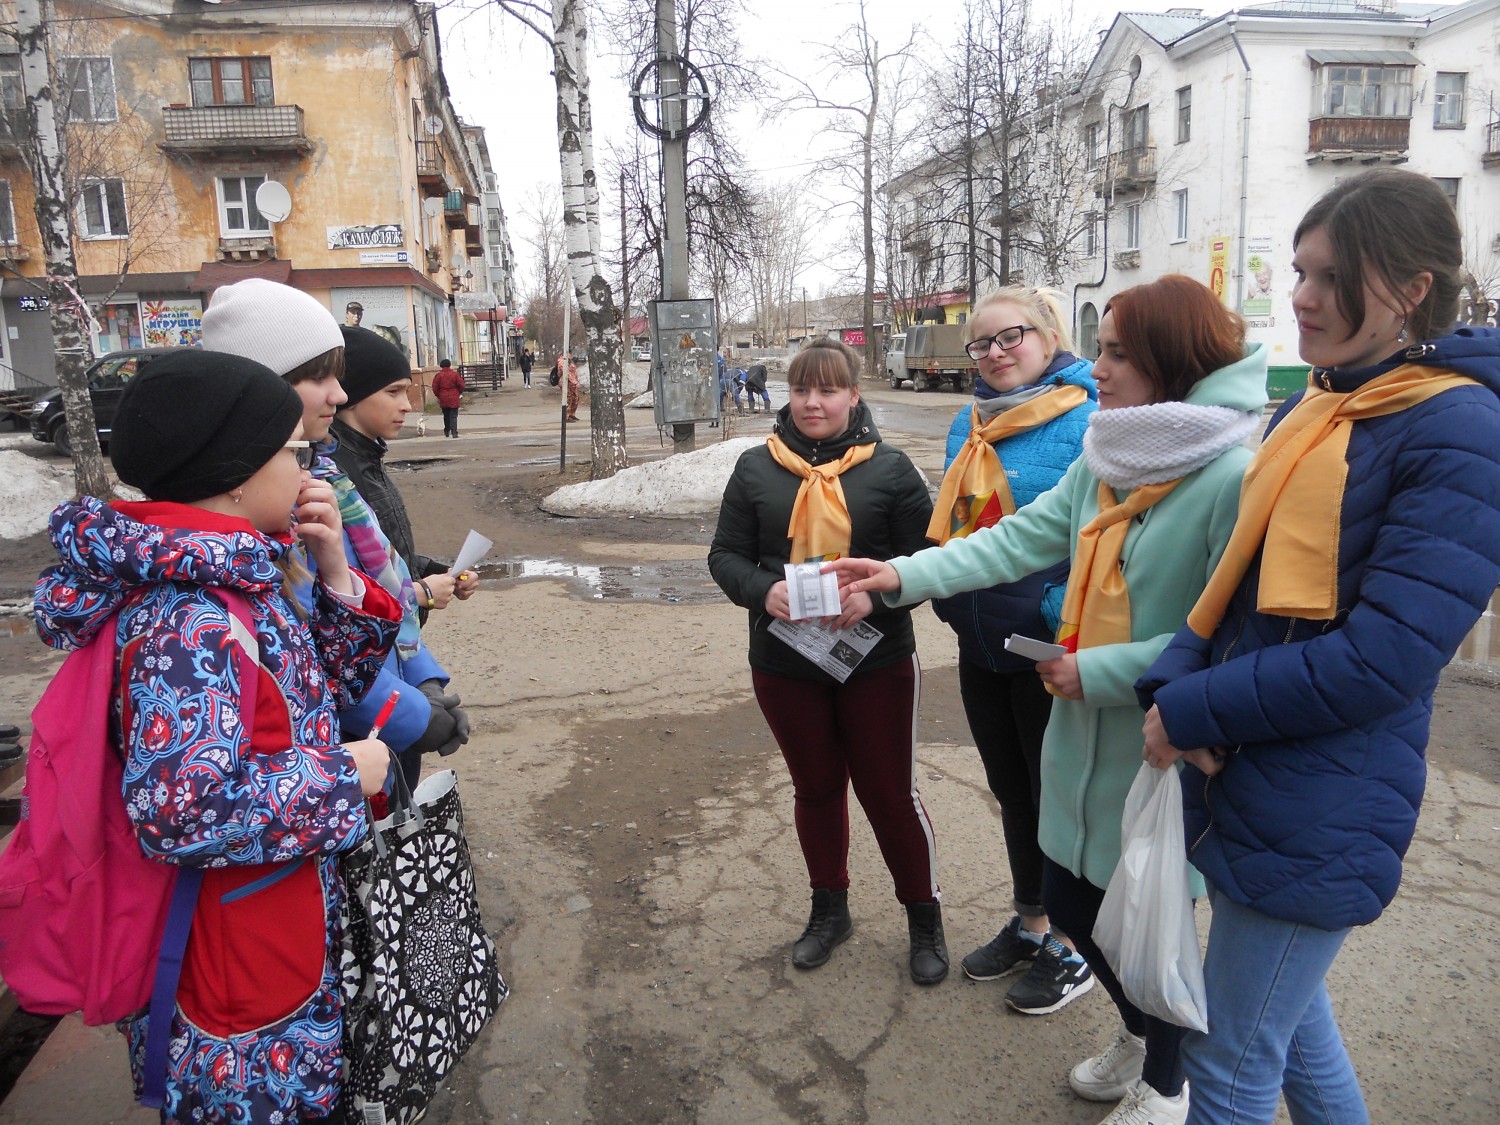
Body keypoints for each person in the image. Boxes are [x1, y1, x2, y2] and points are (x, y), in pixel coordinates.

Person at [828, 275, 1269, 1125]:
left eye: (1113, 353)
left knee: (1147, 928)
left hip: (1155, 742)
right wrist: (899, 575)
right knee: (1072, 904)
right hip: (1080, 736)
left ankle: (1169, 1085)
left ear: (1167, 362)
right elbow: (1017, 537)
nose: (1095, 366)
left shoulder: (1230, 476)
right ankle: (1142, 1041)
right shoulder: (1112, 454)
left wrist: (1098, 669)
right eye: (1099, 349)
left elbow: (1226, 635)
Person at [1136, 169, 1500, 1124]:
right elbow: (1237, 578)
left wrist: (1195, 708)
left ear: (1411, 286)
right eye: (1298, 270)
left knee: (1228, 1067)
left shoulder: (1458, 425)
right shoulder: (1325, 401)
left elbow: (1385, 656)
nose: (1297, 295)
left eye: (1327, 275)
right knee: (1290, 1035)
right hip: (1260, 776)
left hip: (1323, 795)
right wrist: (1170, 678)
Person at [33, 350, 402, 1122]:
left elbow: (303, 696)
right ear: (236, 474)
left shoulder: (235, 576)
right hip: (236, 984)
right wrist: (346, 772)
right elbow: (182, 810)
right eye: (290, 454)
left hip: (271, 932)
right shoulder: (188, 617)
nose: (308, 473)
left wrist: (335, 573)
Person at [706, 337, 946, 985]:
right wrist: (765, 591)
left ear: (854, 395)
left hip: (877, 660)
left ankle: (924, 917)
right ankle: (829, 909)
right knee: (815, 790)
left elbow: (927, 566)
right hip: (786, 663)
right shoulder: (756, 468)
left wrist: (881, 599)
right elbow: (724, 557)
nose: (813, 402)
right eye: (802, 389)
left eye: (828, 389)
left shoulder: (892, 470)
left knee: (890, 795)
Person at [201, 279, 469, 790]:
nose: (338, 394)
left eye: (339, 376)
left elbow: (375, 585)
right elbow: (314, 650)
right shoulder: (268, 506)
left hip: (368, 733)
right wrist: (414, 714)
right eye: (318, 377)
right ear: (261, 388)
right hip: (329, 761)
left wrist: (425, 680)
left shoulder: (326, 478)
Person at [928, 285, 1100, 1015]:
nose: (996, 353)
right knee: (1013, 790)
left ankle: (1073, 943)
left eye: (1011, 337)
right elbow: (962, 523)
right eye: (982, 343)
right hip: (980, 642)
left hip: (1046, 649)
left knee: (1058, 796)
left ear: (1048, 336)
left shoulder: (1090, 420)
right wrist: (946, 595)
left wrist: (1055, 617)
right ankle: (1031, 920)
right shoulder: (969, 425)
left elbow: (1100, 543)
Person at [330, 325, 479, 622]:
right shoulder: (335, 473)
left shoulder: (368, 457)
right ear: (354, 393)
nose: (407, 406)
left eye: (406, 391)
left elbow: (384, 555)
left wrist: (433, 572)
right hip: (373, 646)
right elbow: (344, 583)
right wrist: (419, 590)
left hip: (391, 637)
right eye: (393, 392)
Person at [433, 357, 464, 438]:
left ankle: (447, 430)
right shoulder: (455, 374)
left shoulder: (438, 375)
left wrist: (438, 395)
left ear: (441, 366)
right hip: (454, 396)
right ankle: (454, 432)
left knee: (446, 415)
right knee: (453, 415)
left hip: (443, 397)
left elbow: (435, 387)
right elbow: (461, 385)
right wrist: (458, 392)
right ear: (450, 365)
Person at [563, 354, 581, 421]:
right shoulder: (563, 362)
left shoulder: (570, 362)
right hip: (569, 385)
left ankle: (571, 414)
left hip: (573, 384)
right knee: (569, 400)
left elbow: (574, 374)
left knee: (575, 399)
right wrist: (575, 382)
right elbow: (567, 374)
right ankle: (566, 416)